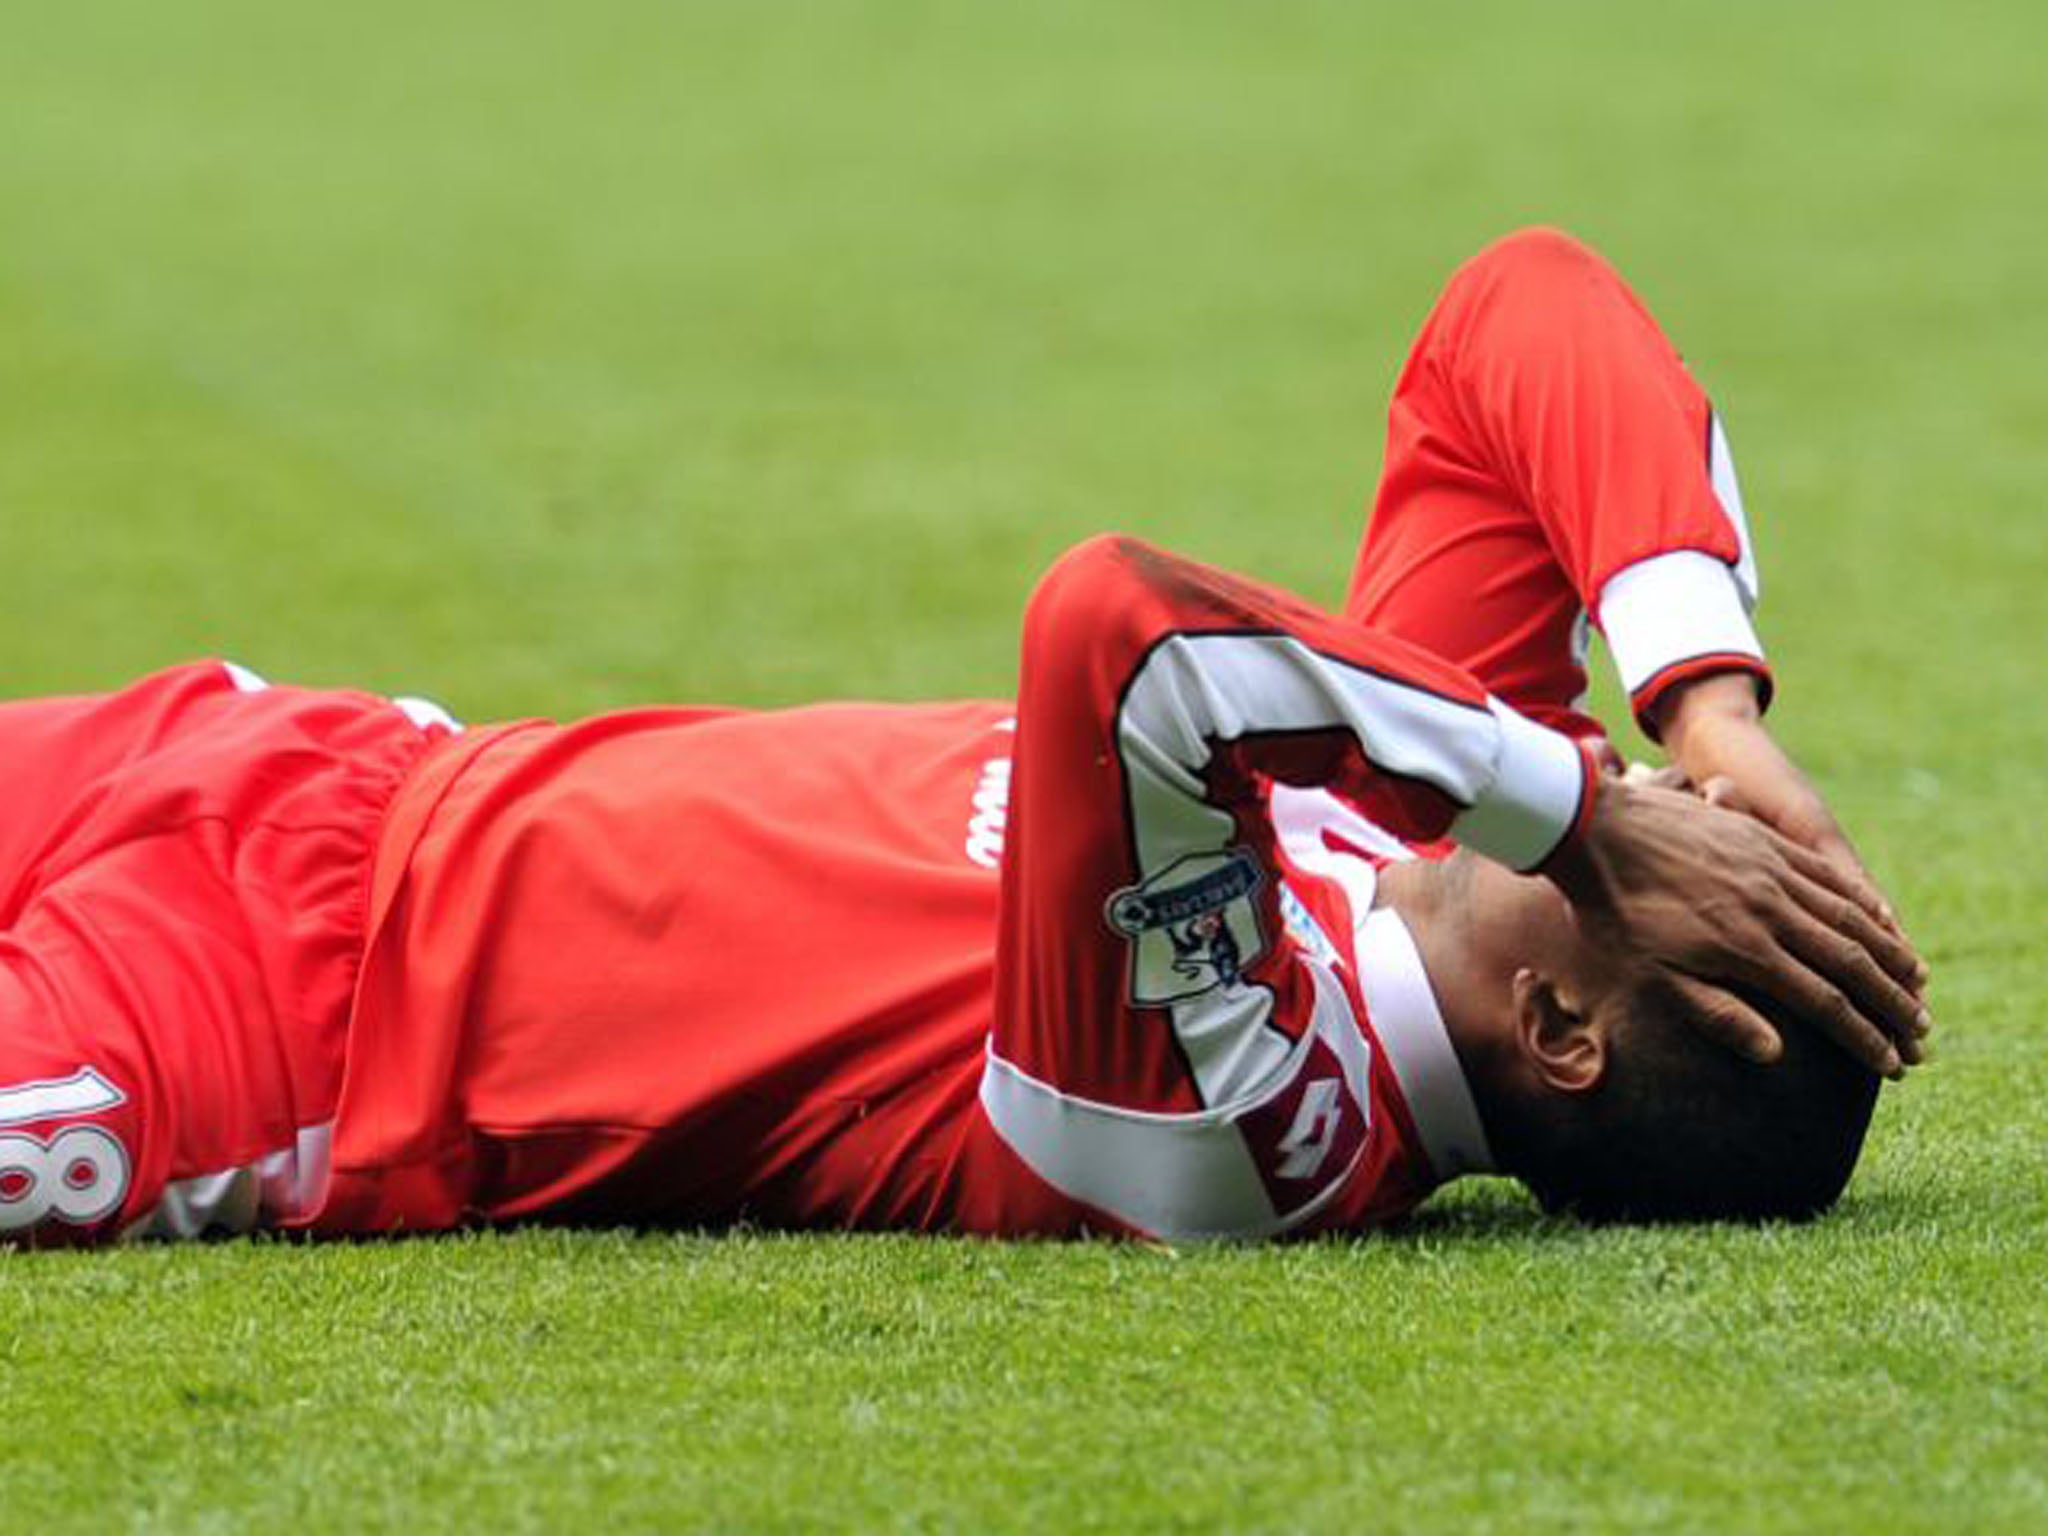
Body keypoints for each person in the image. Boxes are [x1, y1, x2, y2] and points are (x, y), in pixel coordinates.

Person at [0, 229, 1928, 1247]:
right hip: (326, 771)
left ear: (1564, 1036)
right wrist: (1701, 692)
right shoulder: (1440, 788)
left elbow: (1119, 628)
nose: (1679, 814)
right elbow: (1512, 313)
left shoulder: (1251, 1123)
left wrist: (1582, 802)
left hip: (255, 1047)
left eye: (1707, 867)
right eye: (1707, 817)